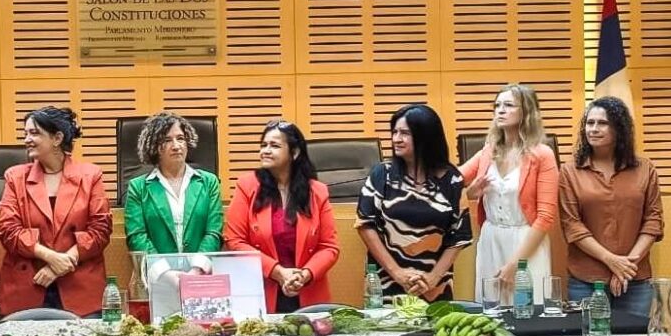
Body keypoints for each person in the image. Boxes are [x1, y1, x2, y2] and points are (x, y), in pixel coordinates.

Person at [0, 106, 112, 317]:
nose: (27, 140)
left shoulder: (91, 176)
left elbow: (100, 230)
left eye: (34, 133)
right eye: (25, 133)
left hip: (80, 289)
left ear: (57, 138)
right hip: (27, 287)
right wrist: (51, 257)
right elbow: (8, 230)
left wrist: (61, 265)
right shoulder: (15, 177)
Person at [356, 104, 472, 301]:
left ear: (426, 137)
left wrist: (433, 278)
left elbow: (459, 235)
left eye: (404, 133)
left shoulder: (451, 179)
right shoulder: (381, 174)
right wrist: (397, 273)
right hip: (386, 282)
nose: (396, 139)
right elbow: (365, 225)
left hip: (434, 285)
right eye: (394, 132)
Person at [560, 96, 663, 316]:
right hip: (586, 280)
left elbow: (653, 222)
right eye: (590, 123)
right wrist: (612, 261)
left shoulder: (645, 169)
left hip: (634, 279)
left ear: (619, 129)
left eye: (602, 123)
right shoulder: (570, 171)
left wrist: (625, 267)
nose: (593, 129)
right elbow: (572, 225)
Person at [224, 120, 339, 313]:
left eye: (274, 146)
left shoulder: (317, 192)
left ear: (294, 152)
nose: (265, 151)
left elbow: (329, 247)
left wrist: (304, 275)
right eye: (263, 145)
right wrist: (278, 272)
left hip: (306, 290)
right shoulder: (247, 186)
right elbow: (235, 240)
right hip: (260, 289)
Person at [460, 84, 557, 304]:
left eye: (509, 105)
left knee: (527, 309)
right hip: (491, 240)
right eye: (497, 105)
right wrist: (470, 192)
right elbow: (452, 181)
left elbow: (545, 216)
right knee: (491, 312)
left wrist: (515, 264)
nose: (500, 110)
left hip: (526, 244)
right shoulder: (488, 151)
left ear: (527, 112)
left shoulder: (542, 155)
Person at [124, 112, 224, 307]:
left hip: (202, 281)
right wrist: (167, 274)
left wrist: (195, 272)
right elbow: (137, 237)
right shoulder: (139, 187)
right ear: (154, 146)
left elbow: (214, 232)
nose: (176, 145)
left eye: (181, 138)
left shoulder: (208, 182)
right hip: (158, 283)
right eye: (167, 140)